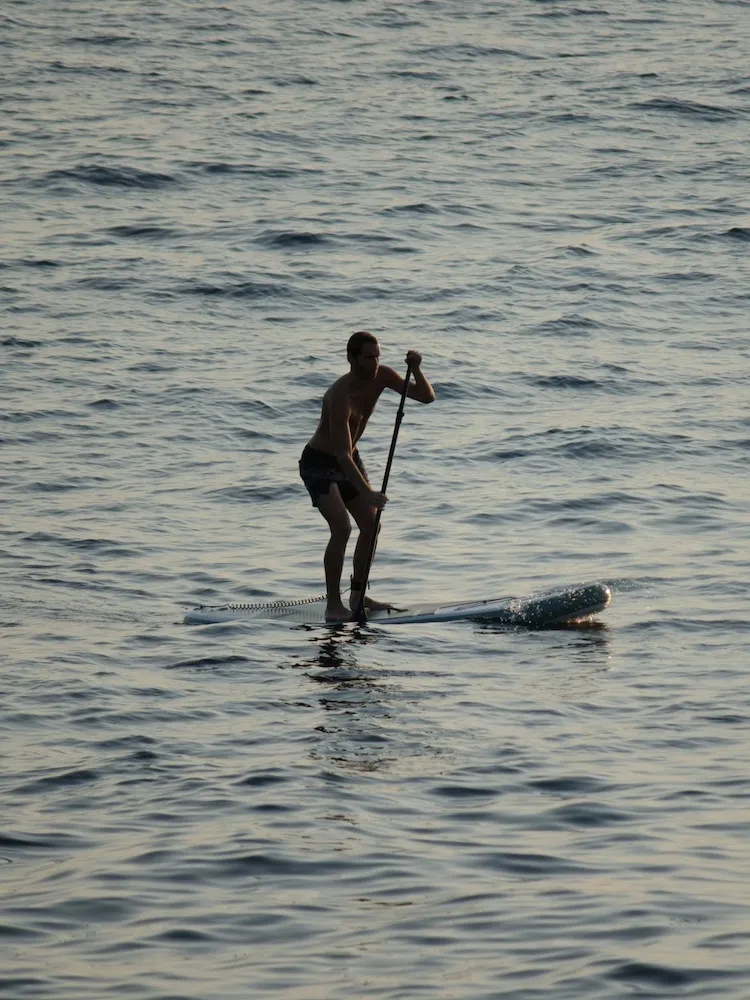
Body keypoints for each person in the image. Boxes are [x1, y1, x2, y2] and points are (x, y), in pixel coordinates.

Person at [299, 332, 435, 621]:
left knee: (372, 525)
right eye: (367, 357)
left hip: (350, 457)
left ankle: (358, 594)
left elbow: (426, 397)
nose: (374, 362)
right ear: (351, 358)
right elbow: (342, 456)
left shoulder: (383, 376)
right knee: (342, 527)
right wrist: (369, 493)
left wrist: (417, 368)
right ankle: (333, 605)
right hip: (320, 463)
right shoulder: (338, 397)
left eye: (377, 356)